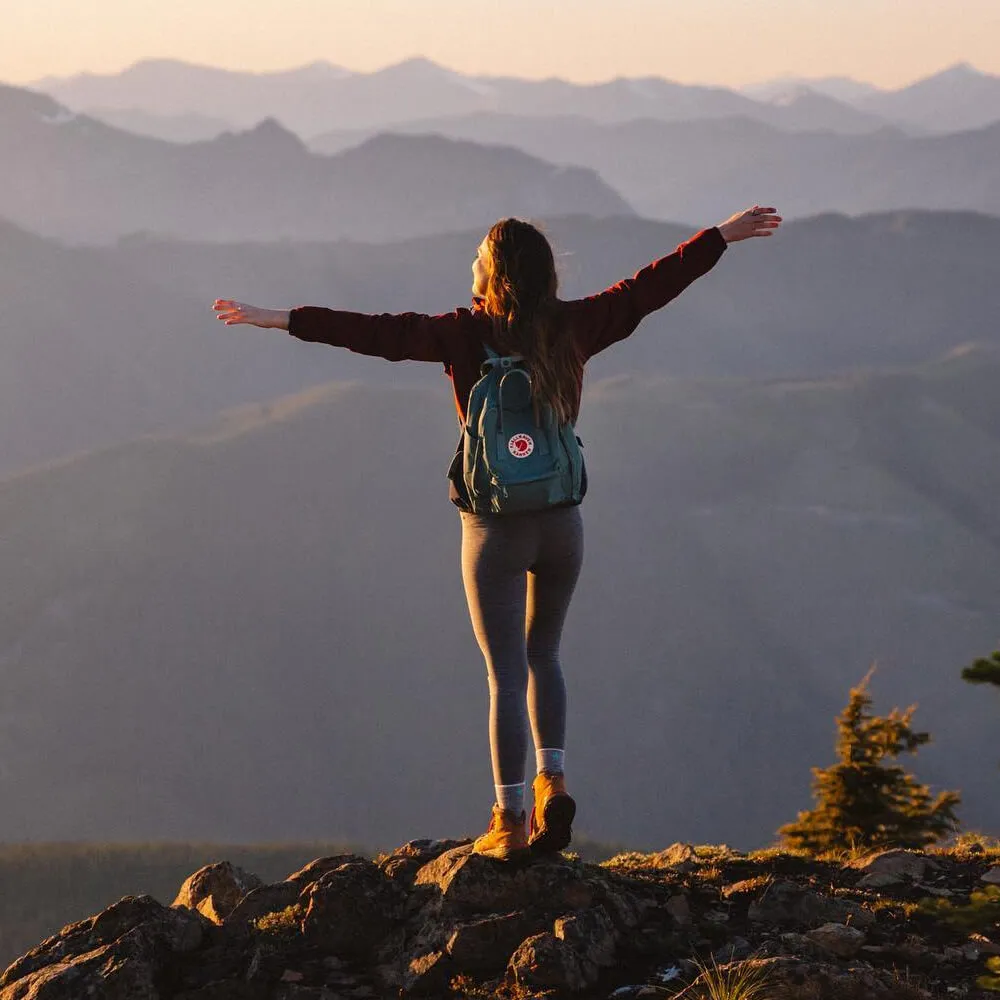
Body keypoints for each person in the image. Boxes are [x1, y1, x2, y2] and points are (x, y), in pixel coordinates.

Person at [212, 205, 782, 861]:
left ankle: (509, 821)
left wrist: (282, 319)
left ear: (491, 274)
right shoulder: (575, 325)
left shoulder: (461, 333)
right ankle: (553, 780)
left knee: (505, 675)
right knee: (546, 657)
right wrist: (718, 238)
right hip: (563, 523)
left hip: (495, 529)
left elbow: (378, 334)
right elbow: (647, 289)